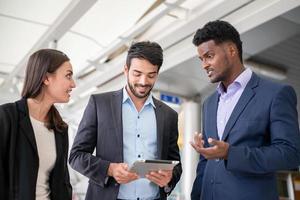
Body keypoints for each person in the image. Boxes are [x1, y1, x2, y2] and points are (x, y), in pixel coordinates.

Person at [190, 20, 300, 200]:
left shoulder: (275, 94)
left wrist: (230, 153)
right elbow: (205, 162)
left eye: (209, 56)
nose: (204, 65)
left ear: (232, 51)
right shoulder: (209, 103)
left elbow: (290, 154)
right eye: (201, 59)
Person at [69, 41, 182, 200]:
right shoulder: (99, 104)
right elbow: (76, 156)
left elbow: (176, 164)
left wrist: (169, 179)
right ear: (126, 70)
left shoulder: (169, 115)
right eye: (137, 74)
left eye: (151, 75)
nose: (143, 82)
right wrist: (110, 169)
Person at [0, 49, 75, 200]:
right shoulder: (7, 117)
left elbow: (62, 183)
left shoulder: (60, 128)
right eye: (68, 76)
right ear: (46, 78)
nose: (73, 84)